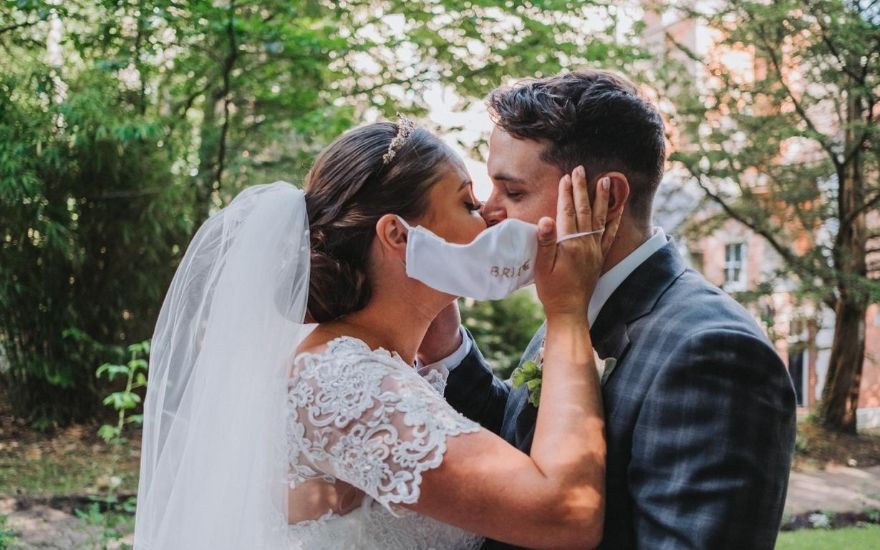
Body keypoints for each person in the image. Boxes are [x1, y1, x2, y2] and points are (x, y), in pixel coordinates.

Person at [134, 119, 620, 549]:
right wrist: (566, 312)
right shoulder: (349, 382)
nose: (491, 216)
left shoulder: (379, 364)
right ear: (399, 236)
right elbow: (565, 517)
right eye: (468, 203)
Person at [431, 70, 798, 549]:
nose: (488, 211)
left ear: (607, 201)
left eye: (514, 192)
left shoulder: (713, 351)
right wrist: (447, 344)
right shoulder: (572, 302)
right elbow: (526, 438)